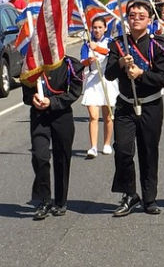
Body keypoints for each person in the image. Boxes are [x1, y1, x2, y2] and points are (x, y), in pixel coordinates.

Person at [104, 0, 164, 217]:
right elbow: (109, 74)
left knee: (148, 151)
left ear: (150, 20)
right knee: (123, 149)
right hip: (125, 104)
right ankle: (129, 194)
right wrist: (121, 65)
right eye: (132, 15)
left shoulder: (157, 45)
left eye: (141, 16)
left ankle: (149, 198)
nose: (136, 19)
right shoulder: (118, 44)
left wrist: (142, 74)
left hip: (150, 104)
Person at [23, 56, 84, 219]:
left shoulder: (69, 64)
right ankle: (44, 200)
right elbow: (26, 93)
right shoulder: (32, 63)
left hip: (61, 114)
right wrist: (32, 99)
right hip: (39, 117)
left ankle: (60, 201)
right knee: (39, 156)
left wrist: (52, 101)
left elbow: (75, 92)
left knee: (62, 157)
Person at [80, 17, 119, 158]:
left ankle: (107, 143)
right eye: (94, 27)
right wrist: (88, 60)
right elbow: (82, 62)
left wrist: (98, 49)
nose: (97, 30)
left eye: (100, 27)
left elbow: (111, 54)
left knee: (108, 116)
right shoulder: (86, 44)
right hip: (92, 81)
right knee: (93, 116)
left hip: (107, 81)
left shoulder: (111, 42)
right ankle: (93, 147)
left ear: (105, 28)